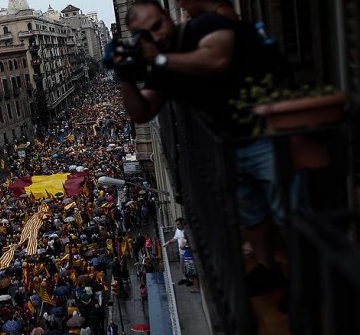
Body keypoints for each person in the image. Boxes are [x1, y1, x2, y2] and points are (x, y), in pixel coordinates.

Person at [122, 0, 291, 297]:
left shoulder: (203, 26)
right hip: (227, 144)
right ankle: (268, 268)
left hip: (263, 132)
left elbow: (216, 59)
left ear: (169, 17)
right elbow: (142, 111)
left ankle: (303, 284)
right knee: (253, 214)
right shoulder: (164, 63)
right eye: (146, 34)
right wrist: (123, 77)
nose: (158, 36)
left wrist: (160, 59)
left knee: (287, 211)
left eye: (159, 25)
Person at [163, 218, 193, 287]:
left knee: (189, 266)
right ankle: (185, 278)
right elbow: (175, 238)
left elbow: (187, 240)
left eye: (178, 224)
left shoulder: (186, 231)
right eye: (176, 224)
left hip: (188, 252)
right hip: (181, 252)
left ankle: (191, 280)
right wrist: (168, 242)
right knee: (182, 267)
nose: (177, 226)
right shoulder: (177, 230)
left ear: (182, 224)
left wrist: (184, 245)